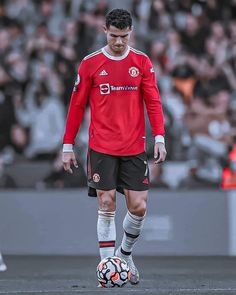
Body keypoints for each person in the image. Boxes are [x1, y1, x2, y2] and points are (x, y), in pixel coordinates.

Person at [62, 8, 167, 285]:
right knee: (106, 203)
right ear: (104, 31)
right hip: (102, 146)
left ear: (131, 32)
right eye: (113, 36)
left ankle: (124, 254)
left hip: (134, 146)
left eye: (123, 36)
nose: (119, 42)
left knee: (139, 207)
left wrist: (159, 137)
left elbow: (153, 102)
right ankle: (106, 269)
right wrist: (68, 145)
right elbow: (76, 106)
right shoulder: (90, 63)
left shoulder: (142, 62)